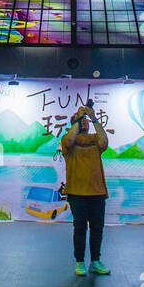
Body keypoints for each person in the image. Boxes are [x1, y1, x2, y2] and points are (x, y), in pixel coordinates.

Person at [60, 104, 110, 276]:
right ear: (74, 124)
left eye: (85, 122)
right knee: (80, 227)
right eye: (80, 122)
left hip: (97, 192)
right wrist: (79, 117)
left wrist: (93, 118)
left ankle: (95, 261)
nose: (84, 124)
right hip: (76, 192)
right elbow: (69, 140)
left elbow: (105, 141)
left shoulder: (95, 139)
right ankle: (80, 262)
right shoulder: (67, 140)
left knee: (97, 228)